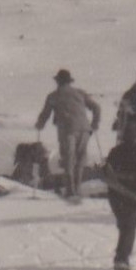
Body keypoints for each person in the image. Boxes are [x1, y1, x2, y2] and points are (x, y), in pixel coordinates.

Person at [35, 68, 102, 200]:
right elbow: (96, 107)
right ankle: (77, 189)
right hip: (84, 130)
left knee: (68, 159)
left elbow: (45, 114)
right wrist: (94, 124)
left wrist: (40, 124)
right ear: (69, 82)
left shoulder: (54, 96)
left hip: (68, 130)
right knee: (80, 159)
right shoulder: (80, 93)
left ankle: (70, 191)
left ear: (58, 82)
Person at [103, 120, 136, 270]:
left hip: (115, 195)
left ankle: (121, 258)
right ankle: (121, 261)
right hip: (132, 195)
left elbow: (107, 172)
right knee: (129, 228)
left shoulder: (115, 151)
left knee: (124, 227)